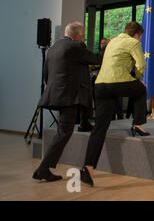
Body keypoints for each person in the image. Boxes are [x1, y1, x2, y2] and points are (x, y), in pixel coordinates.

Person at [80, 22, 149, 187]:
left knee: (99, 128)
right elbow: (141, 65)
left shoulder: (112, 42)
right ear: (138, 34)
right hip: (118, 83)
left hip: (100, 85)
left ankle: (87, 168)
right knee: (141, 89)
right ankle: (138, 124)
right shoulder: (134, 43)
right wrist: (139, 78)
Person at [33, 22, 102, 182]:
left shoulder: (53, 48)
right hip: (68, 95)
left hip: (56, 93)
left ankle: (85, 123)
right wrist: (110, 47)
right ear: (77, 35)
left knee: (64, 130)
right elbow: (96, 59)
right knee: (64, 132)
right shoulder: (75, 47)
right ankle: (43, 169)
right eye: (82, 34)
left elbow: (46, 73)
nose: (83, 36)